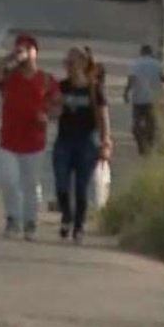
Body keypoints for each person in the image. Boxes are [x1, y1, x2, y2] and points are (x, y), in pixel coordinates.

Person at [0, 33, 60, 240]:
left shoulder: (45, 79)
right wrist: (10, 58)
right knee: (9, 180)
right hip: (9, 139)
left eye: (27, 48)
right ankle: (12, 219)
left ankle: (30, 222)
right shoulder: (9, 78)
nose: (23, 52)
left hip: (33, 141)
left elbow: (57, 106)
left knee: (30, 184)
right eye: (20, 48)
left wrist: (47, 116)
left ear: (36, 52)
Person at [52, 47, 111, 243]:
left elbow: (103, 118)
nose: (68, 67)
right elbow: (52, 112)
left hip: (87, 141)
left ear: (83, 64)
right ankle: (66, 215)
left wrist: (106, 142)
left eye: (72, 63)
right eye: (66, 63)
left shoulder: (94, 90)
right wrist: (53, 108)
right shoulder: (61, 87)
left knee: (81, 186)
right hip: (64, 140)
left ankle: (78, 226)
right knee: (61, 181)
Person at [124, 44, 164, 155]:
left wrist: (126, 92)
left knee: (136, 123)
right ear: (150, 52)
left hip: (138, 99)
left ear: (141, 52)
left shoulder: (135, 64)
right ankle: (149, 145)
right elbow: (163, 78)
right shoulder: (157, 64)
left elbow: (131, 79)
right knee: (151, 123)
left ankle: (140, 144)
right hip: (153, 99)